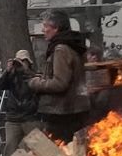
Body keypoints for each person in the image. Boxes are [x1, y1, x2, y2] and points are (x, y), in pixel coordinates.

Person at [28, 10, 90, 144]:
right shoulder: (74, 46)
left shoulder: (61, 49)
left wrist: (36, 83)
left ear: (56, 28)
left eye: (46, 26)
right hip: (75, 109)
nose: (43, 30)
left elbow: (60, 83)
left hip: (61, 112)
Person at [0, 50, 40, 156]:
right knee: (10, 146)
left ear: (29, 62)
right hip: (13, 118)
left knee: (33, 147)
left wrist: (25, 71)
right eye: (19, 61)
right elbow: (0, 85)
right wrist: (8, 71)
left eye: (24, 61)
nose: (21, 63)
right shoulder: (11, 77)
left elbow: (36, 85)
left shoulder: (34, 76)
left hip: (30, 117)